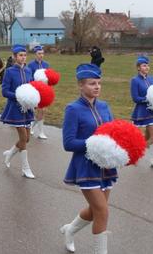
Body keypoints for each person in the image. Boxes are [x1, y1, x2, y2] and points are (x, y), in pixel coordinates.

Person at [60, 63, 116, 254]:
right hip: (85, 166)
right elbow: (68, 143)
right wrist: (94, 144)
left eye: (99, 83)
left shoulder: (104, 106)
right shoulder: (73, 109)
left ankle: (70, 230)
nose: (97, 87)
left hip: (106, 166)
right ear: (81, 86)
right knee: (102, 211)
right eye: (92, 83)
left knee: (95, 211)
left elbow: (113, 132)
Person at [0, 44, 35, 179]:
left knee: (27, 138)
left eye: (25, 55)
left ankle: (9, 154)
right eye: (20, 55)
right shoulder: (9, 71)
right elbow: (5, 91)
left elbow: (31, 87)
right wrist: (18, 96)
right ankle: (25, 168)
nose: (23, 57)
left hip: (27, 108)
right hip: (15, 108)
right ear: (15, 57)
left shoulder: (28, 71)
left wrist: (33, 99)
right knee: (23, 139)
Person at [130, 55, 153, 169]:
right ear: (138, 68)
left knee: (147, 136)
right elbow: (135, 98)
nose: (147, 67)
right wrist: (147, 99)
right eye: (144, 65)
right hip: (143, 111)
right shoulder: (135, 80)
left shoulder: (151, 79)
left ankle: (134, 150)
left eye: (147, 65)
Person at [27, 45, 50, 139]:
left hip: (44, 90)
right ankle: (39, 131)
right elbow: (29, 77)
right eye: (39, 53)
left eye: (42, 53)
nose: (41, 55)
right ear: (35, 54)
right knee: (38, 110)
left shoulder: (46, 64)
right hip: (35, 90)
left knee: (43, 111)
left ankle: (34, 127)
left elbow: (49, 76)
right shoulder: (31, 65)